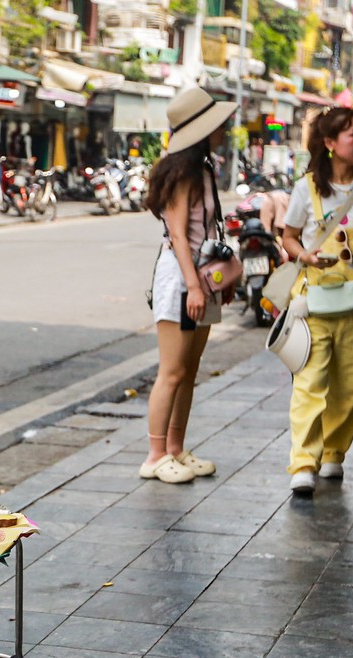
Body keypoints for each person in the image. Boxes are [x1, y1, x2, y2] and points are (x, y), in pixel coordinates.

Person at [280, 107, 353, 495]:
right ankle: (303, 461)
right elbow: (288, 237)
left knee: (351, 382)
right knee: (310, 379)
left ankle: (333, 452)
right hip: (314, 300)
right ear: (330, 143)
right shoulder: (306, 189)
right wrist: (305, 255)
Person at [140, 87, 237, 484]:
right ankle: (155, 455)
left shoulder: (204, 169)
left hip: (202, 277)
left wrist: (215, 281)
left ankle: (176, 448)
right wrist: (194, 287)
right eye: (218, 125)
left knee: (189, 369)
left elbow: (207, 230)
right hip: (182, 279)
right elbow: (179, 235)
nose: (225, 130)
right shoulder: (181, 175)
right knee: (172, 371)